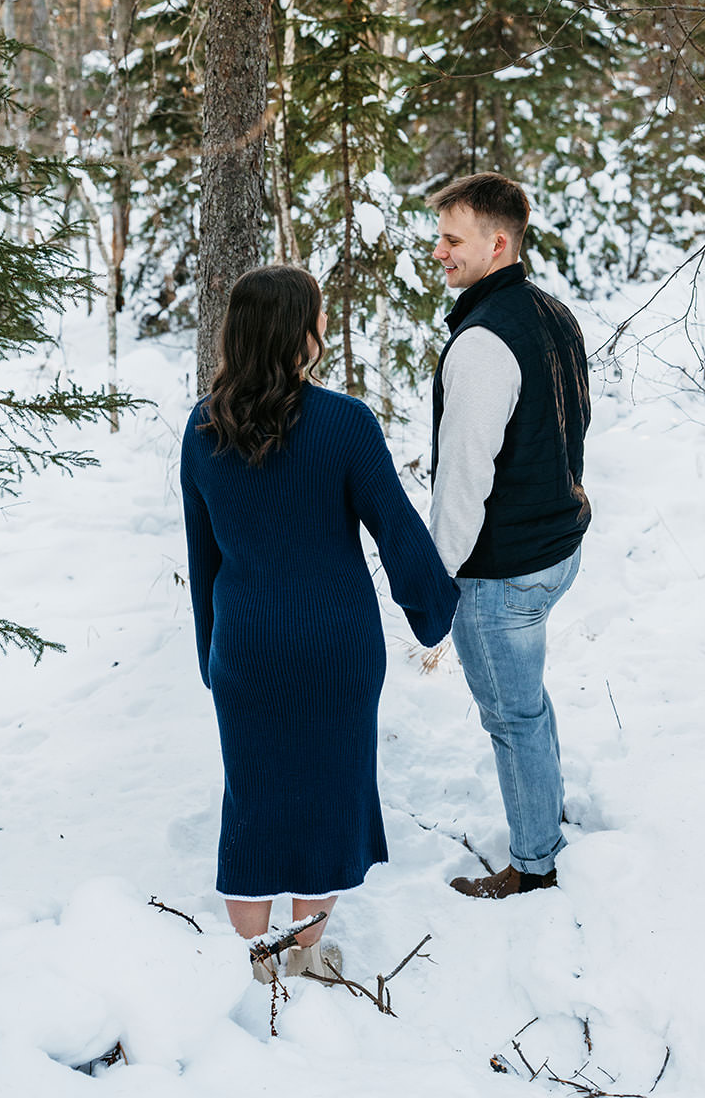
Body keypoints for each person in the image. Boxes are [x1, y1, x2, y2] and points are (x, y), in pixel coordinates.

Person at [180, 264, 458, 981]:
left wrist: (211, 653)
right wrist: (433, 611)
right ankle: (303, 958)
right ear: (301, 331)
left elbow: (201, 554)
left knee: (255, 800)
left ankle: (256, 963)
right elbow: (395, 529)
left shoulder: (203, 427)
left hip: (246, 646)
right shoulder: (343, 422)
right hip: (336, 647)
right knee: (328, 799)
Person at [427, 173, 591, 900]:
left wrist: (435, 579)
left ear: (498, 243)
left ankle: (533, 866)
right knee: (526, 700)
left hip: (504, 570)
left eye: (451, 239)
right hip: (557, 547)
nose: (438, 252)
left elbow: (463, 479)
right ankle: (544, 814)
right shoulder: (550, 312)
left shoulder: (482, 341)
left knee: (511, 714)